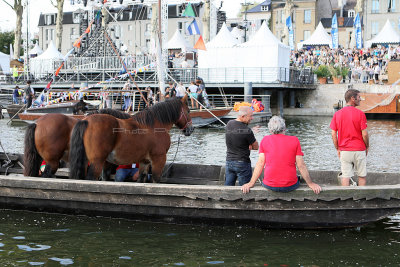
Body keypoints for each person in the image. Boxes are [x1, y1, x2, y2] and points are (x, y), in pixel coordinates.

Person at [241, 116, 321, 194]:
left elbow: (260, 163)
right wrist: (310, 184)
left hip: (269, 185)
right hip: (290, 186)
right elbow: (301, 165)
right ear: (284, 128)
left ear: (270, 130)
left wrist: (251, 183)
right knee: (297, 178)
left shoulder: (265, 140)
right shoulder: (294, 140)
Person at [330, 89, 369, 186]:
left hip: (345, 150)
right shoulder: (360, 114)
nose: (360, 99)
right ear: (353, 98)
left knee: (345, 176)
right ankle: (361, 198)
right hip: (359, 149)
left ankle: (345, 199)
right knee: (362, 176)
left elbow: (333, 134)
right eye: (359, 97)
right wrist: (367, 146)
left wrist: (338, 148)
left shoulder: (337, 114)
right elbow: (364, 134)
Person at [225, 106, 259, 186]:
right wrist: (250, 141)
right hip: (242, 163)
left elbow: (237, 134)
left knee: (228, 188)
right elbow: (256, 147)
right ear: (243, 116)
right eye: (250, 116)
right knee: (245, 188)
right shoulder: (247, 131)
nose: (252, 118)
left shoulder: (229, 124)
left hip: (229, 162)